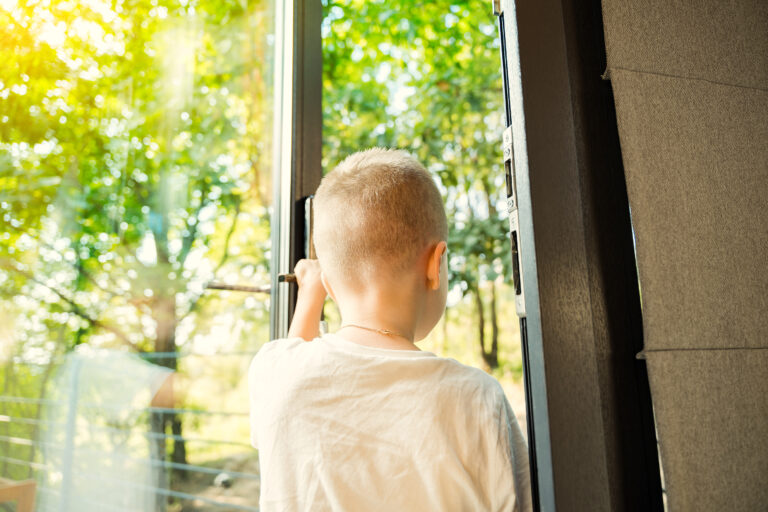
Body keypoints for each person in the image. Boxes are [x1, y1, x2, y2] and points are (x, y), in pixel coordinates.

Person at [249, 148, 531, 511]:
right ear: (436, 263)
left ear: (330, 286)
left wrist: (311, 293)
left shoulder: (274, 372)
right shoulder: (478, 398)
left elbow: (292, 362)